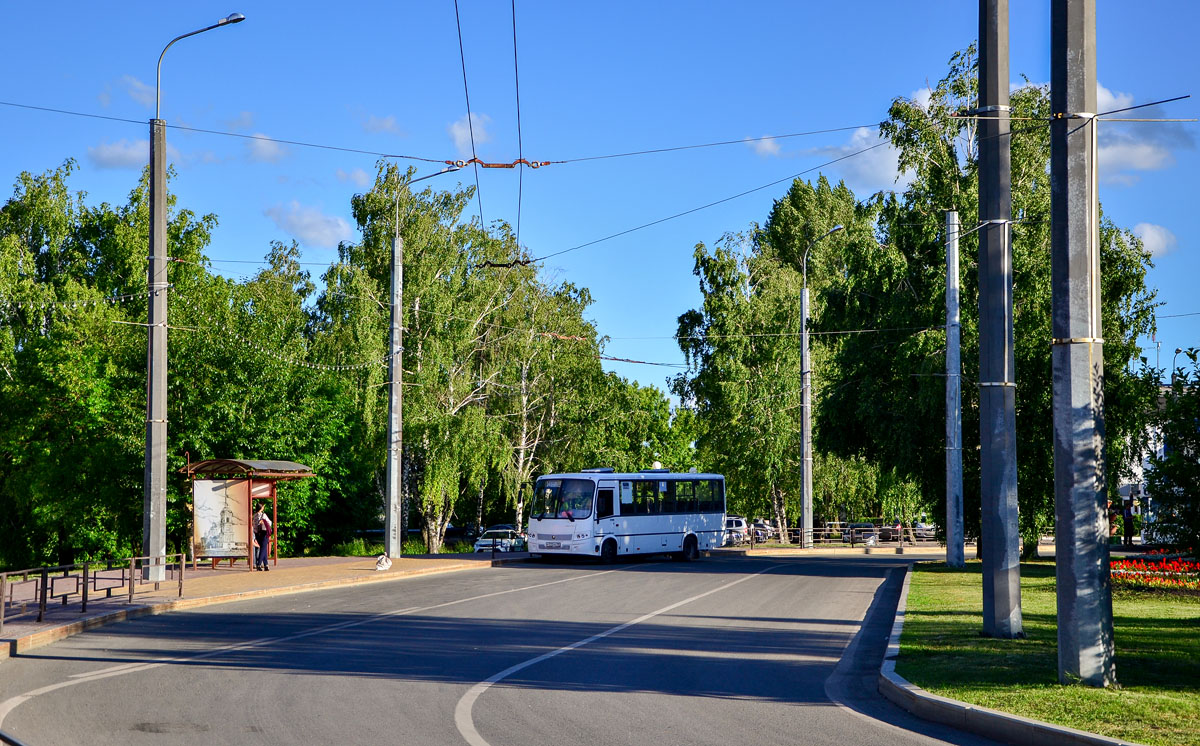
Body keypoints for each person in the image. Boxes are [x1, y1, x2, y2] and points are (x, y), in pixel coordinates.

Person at [253, 504, 273, 570]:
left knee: (263, 548)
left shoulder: (254, 516)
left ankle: (266, 565)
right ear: (261, 508)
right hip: (264, 533)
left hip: (257, 534)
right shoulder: (263, 515)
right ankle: (259, 564)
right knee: (263, 548)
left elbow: (254, 526)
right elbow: (270, 523)